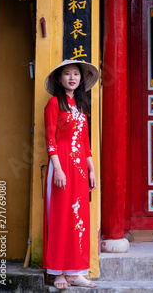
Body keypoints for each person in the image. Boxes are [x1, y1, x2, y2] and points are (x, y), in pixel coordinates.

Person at [43, 59, 99, 289]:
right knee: (60, 217)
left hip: (79, 171)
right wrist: (57, 168)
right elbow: (49, 138)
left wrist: (92, 169)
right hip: (61, 166)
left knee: (79, 219)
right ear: (59, 78)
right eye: (67, 74)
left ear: (81, 78)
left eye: (76, 74)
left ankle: (76, 273)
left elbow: (85, 142)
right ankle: (58, 273)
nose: (72, 78)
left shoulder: (81, 106)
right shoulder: (54, 103)